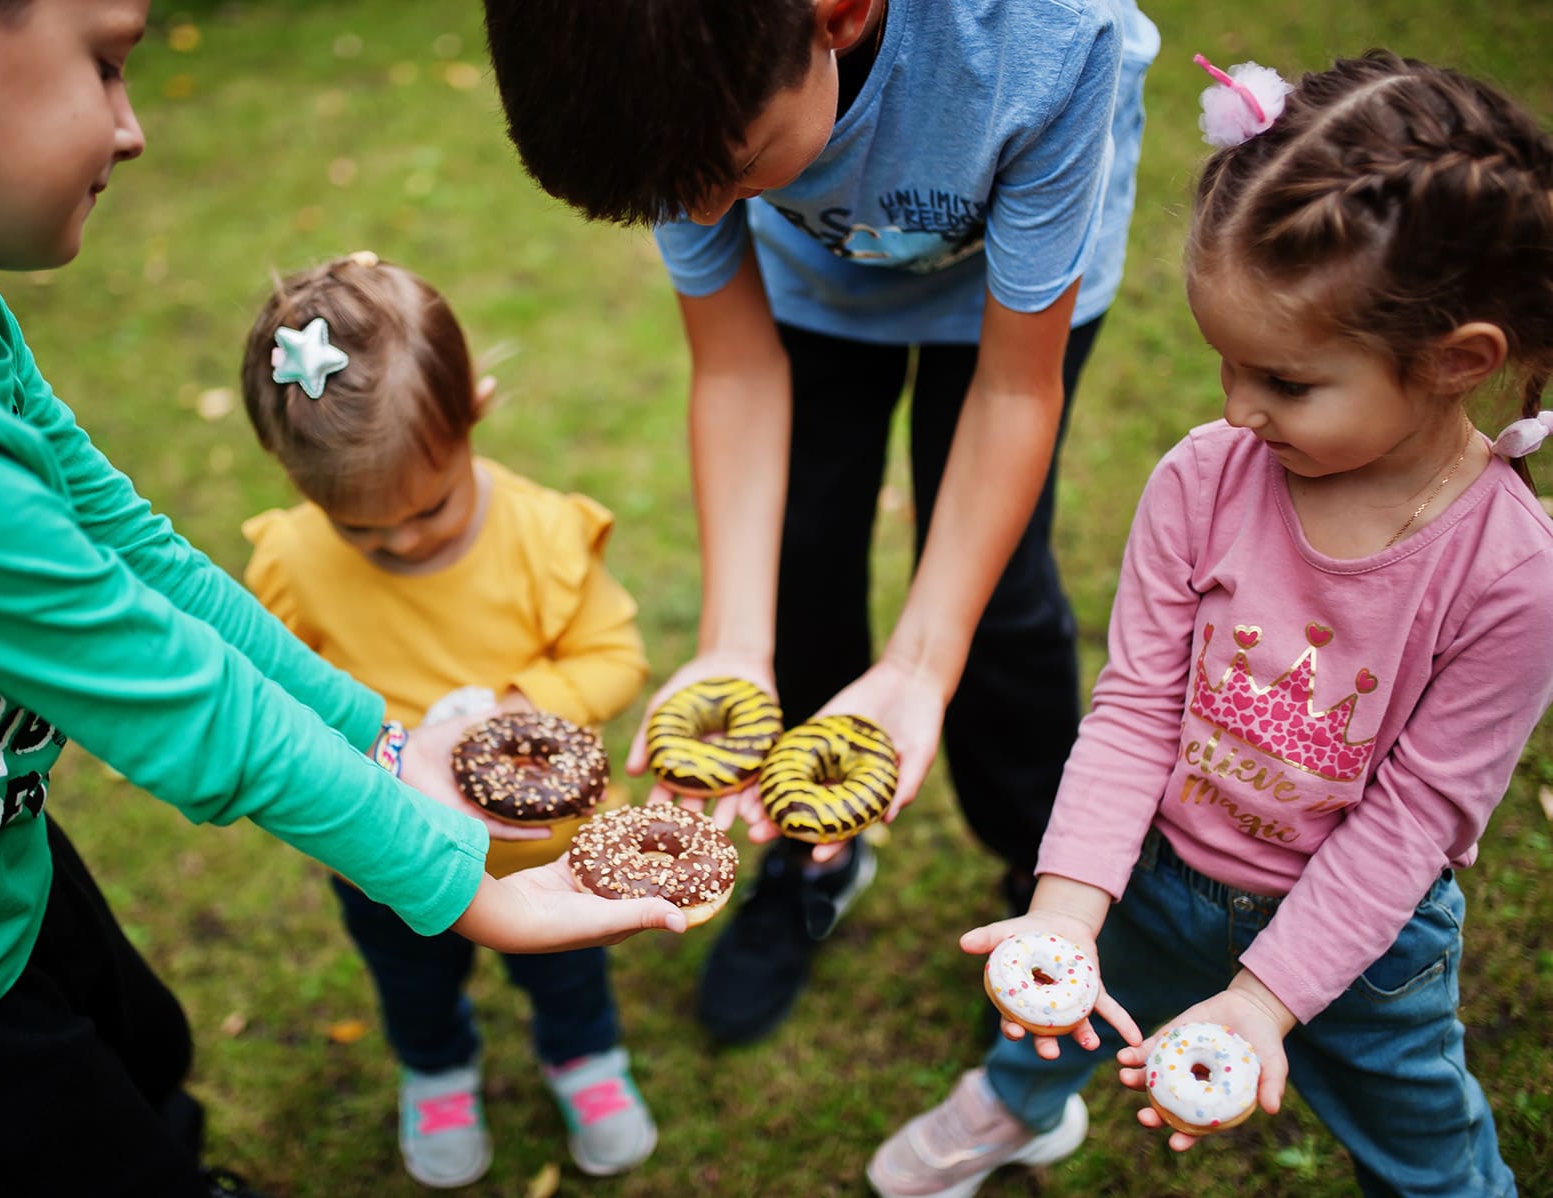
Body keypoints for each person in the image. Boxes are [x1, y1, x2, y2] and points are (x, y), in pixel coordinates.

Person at [0, 3, 685, 1196]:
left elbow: (141, 557)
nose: (133, 128)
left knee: (138, 1056)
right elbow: (189, 710)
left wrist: (388, 741)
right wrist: (466, 889)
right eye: (105, 64)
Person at [867, 50, 1553, 1197]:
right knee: (1060, 1014)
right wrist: (1065, 910)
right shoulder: (1205, 479)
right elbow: (1136, 706)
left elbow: (1412, 822)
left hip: (1362, 944)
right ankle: (1017, 1109)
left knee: (1424, 1145)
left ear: (1456, 360)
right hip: (1152, 868)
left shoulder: (1513, 578)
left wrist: (1265, 997)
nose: (1239, 407)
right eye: (1225, 365)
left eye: (1283, 381)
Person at [480, 0, 1161, 1043]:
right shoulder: (660, 90)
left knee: (997, 592)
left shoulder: (1050, 39)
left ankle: (1047, 886)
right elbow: (739, 369)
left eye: (736, 171)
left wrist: (925, 662)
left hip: (1017, 278)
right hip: (819, 284)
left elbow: (1014, 395)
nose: (701, 212)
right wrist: (731, 643)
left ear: (837, 16)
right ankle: (815, 851)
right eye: (672, 198)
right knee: (804, 550)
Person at [239, 253, 660, 1187]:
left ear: (476, 409)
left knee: (567, 968)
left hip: (543, 848)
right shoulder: (294, 567)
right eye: (361, 529)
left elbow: (613, 656)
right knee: (412, 979)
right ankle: (437, 1071)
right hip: (384, 849)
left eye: (428, 509)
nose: (401, 541)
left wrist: (520, 710)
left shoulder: (541, 537)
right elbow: (281, 696)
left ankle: (584, 1058)